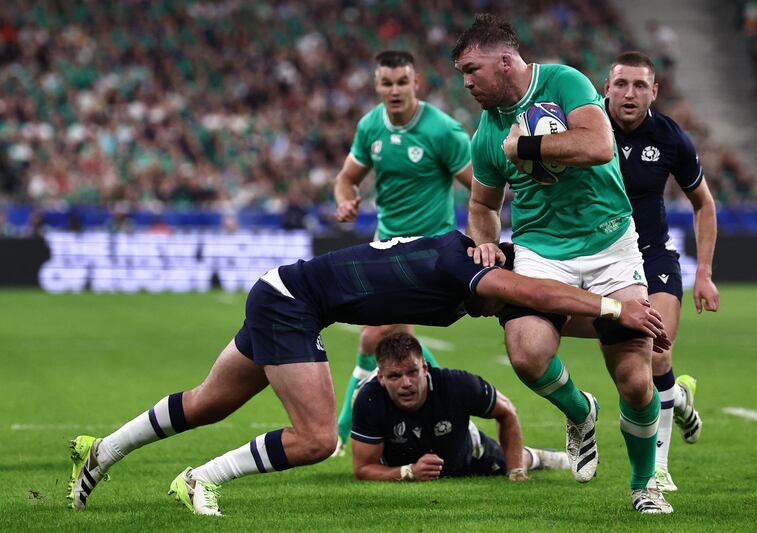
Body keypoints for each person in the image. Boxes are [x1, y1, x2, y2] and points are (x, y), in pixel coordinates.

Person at [67, 230, 668, 517]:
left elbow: (540, 310)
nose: (505, 313)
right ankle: (199, 478)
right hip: (293, 305)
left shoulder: (466, 264)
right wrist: (614, 305)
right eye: (505, 301)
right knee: (316, 439)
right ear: (497, 264)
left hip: (286, 292)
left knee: (205, 403)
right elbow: (531, 291)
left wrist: (626, 331)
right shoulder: (464, 267)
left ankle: (101, 451)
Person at [452, 14, 672, 513]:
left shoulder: (563, 81)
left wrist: (525, 146)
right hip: (540, 250)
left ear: (505, 61)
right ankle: (580, 411)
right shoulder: (485, 134)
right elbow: (483, 206)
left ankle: (644, 486)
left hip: (609, 243)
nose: (466, 83)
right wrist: (485, 243)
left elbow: (598, 145)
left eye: (472, 70)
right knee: (526, 352)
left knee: (636, 380)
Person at [333, 50, 473, 454]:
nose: (394, 90)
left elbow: (479, 187)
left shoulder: (443, 131)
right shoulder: (370, 126)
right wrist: (346, 200)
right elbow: (346, 179)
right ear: (377, 86)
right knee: (393, 338)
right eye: (386, 83)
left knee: (375, 334)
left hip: (432, 252)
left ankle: (341, 433)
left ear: (416, 84)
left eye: (401, 82)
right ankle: (447, 397)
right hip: (386, 246)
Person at [604, 51, 719, 492]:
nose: (629, 93)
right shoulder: (587, 126)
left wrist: (704, 272)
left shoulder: (670, 137)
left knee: (656, 353)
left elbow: (703, 203)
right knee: (638, 367)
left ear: (655, 91)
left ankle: (658, 467)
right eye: (621, 84)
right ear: (606, 88)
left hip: (652, 256)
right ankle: (680, 399)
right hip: (601, 259)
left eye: (639, 85)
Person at [351, 332, 569, 481]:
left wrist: (516, 473)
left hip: (466, 449)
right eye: (395, 376)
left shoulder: (457, 385)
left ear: (425, 367)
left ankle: (540, 457)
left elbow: (507, 411)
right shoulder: (369, 400)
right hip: (399, 460)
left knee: (507, 460)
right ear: (380, 378)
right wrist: (408, 472)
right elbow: (363, 468)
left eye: (412, 372)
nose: (406, 383)